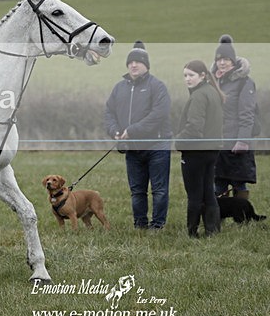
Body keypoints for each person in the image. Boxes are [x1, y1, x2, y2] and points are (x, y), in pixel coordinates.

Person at [104, 41, 172, 230]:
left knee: (159, 190)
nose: (134, 65)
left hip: (157, 147)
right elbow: (109, 113)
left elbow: (159, 114)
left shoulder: (157, 86)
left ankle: (158, 225)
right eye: (130, 62)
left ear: (146, 65)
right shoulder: (119, 88)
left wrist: (132, 130)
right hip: (132, 148)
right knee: (137, 191)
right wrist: (114, 131)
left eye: (138, 62)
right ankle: (140, 224)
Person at [176, 59, 224, 238]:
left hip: (196, 152)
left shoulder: (198, 95)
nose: (187, 79)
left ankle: (192, 232)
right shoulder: (213, 91)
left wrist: (177, 141)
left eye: (191, 75)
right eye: (185, 75)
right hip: (212, 151)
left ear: (203, 76)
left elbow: (194, 127)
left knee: (195, 194)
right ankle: (213, 230)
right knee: (208, 192)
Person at [212, 34, 259, 200]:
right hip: (218, 142)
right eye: (219, 59)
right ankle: (218, 218)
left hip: (236, 142)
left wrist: (243, 140)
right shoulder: (213, 82)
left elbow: (247, 113)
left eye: (226, 59)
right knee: (218, 182)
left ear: (233, 60)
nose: (222, 63)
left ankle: (242, 219)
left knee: (239, 183)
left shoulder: (244, 82)